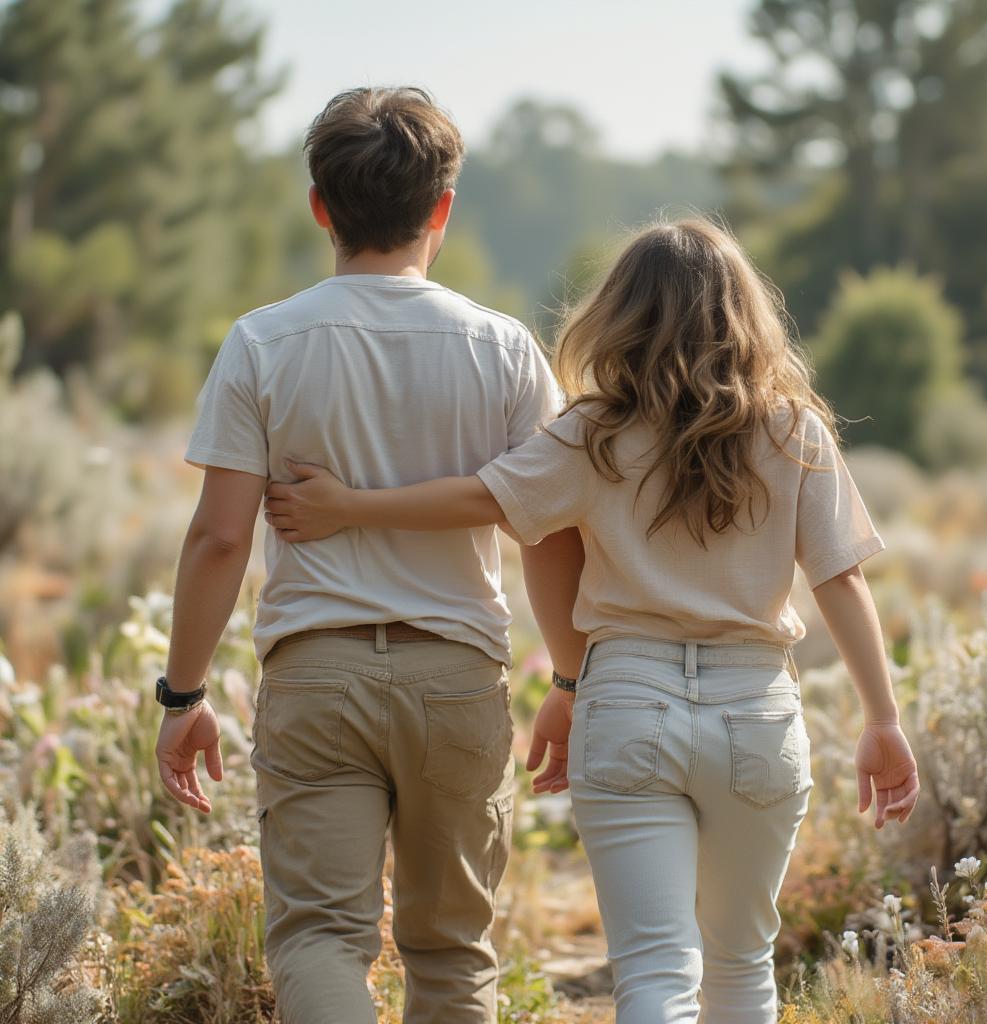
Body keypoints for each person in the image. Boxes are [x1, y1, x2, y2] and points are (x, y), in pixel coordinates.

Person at [263, 217, 921, 1024]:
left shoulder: (594, 432)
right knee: (744, 962)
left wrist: (349, 507)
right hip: (756, 713)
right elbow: (841, 582)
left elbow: (484, 498)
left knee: (653, 971)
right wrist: (881, 719)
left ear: (622, 313)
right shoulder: (793, 432)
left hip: (628, 701)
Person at [153, 86, 587, 1024]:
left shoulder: (262, 342)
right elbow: (548, 528)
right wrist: (571, 681)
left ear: (319, 205)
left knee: (318, 939)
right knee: (452, 951)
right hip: (457, 679)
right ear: (442, 209)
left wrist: (184, 695)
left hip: (318, 676)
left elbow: (221, 535)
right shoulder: (506, 349)